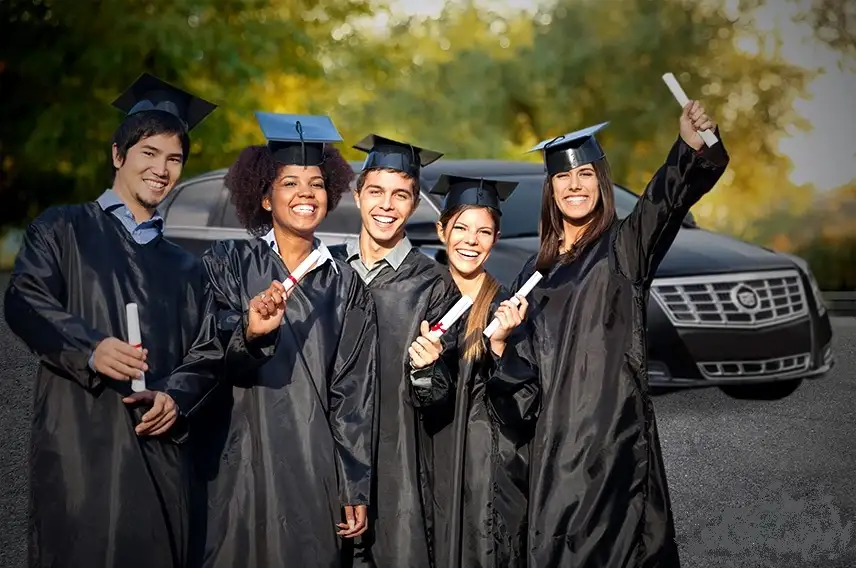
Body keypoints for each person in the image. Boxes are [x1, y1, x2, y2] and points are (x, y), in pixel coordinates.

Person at [3, 73, 244, 568]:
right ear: (118, 156)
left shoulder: (186, 267)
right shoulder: (62, 229)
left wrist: (175, 397)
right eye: (148, 153)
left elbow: (207, 352)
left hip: (159, 456)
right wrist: (90, 348)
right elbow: (25, 299)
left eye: (174, 159)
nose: (161, 169)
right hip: (79, 444)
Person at [494, 102, 730, 567]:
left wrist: (688, 144)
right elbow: (523, 385)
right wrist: (501, 345)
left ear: (600, 184)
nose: (575, 185)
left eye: (585, 174)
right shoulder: (533, 272)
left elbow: (665, 202)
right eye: (564, 177)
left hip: (611, 444)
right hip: (553, 455)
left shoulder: (624, 248)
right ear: (551, 187)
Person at [188, 112, 379, 568]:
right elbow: (205, 355)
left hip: (312, 466)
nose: (305, 194)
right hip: (239, 459)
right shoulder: (228, 262)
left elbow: (353, 394)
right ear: (267, 198)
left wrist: (354, 484)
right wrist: (249, 333)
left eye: (315, 183)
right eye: (290, 183)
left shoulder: (345, 283)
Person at [328, 134, 462, 568]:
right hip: (325, 458)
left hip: (397, 464)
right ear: (357, 194)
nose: (387, 205)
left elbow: (441, 398)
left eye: (401, 195)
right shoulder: (324, 270)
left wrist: (427, 371)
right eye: (377, 191)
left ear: (415, 202)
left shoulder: (433, 283)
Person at [426, 175, 538, 568]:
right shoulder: (417, 295)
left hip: (486, 470)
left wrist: (500, 346)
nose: (471, 241)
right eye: (461, 228)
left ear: (496, 237)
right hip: (426, 462)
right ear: (441, 230)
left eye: (484, 231)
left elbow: (525, 408)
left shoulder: (508, 307)